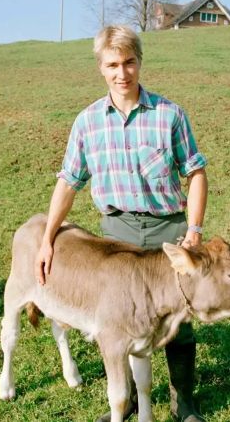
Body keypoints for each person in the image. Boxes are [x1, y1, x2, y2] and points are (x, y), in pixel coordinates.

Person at [34, 25, 209, 422]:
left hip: (168, 231)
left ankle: (184, 402)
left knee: (179, 321)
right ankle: (126, 401)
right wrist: (47, 239)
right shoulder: (88, 123)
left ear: (139, 62)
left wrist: (194, 231)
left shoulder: (169, 115)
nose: (122, 73)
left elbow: (196, 173)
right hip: (116, 235)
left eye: (129, 62)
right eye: (112, 64)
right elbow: (68, 182)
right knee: (120, 324)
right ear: (101, 67)